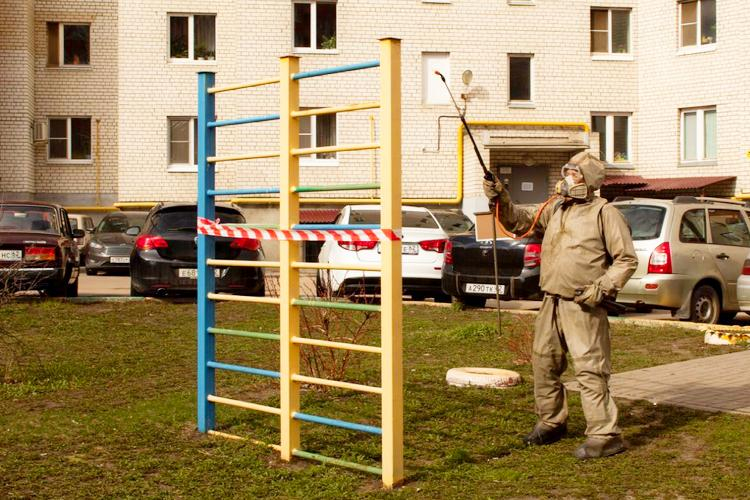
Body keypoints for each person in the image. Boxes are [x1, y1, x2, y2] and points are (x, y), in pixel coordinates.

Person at [483, 151, 638, 459]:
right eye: (566, 171)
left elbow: (626, 260)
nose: (566, 177)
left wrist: (600, 288)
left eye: (574, 173)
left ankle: (605, 435)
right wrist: (499, 195)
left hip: (583, 305)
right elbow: (517, 221)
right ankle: (551, 422)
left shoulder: (605, 213)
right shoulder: (555, 207)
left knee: (590, 369)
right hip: (550, 300)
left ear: (589, 180)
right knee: (544, 363)